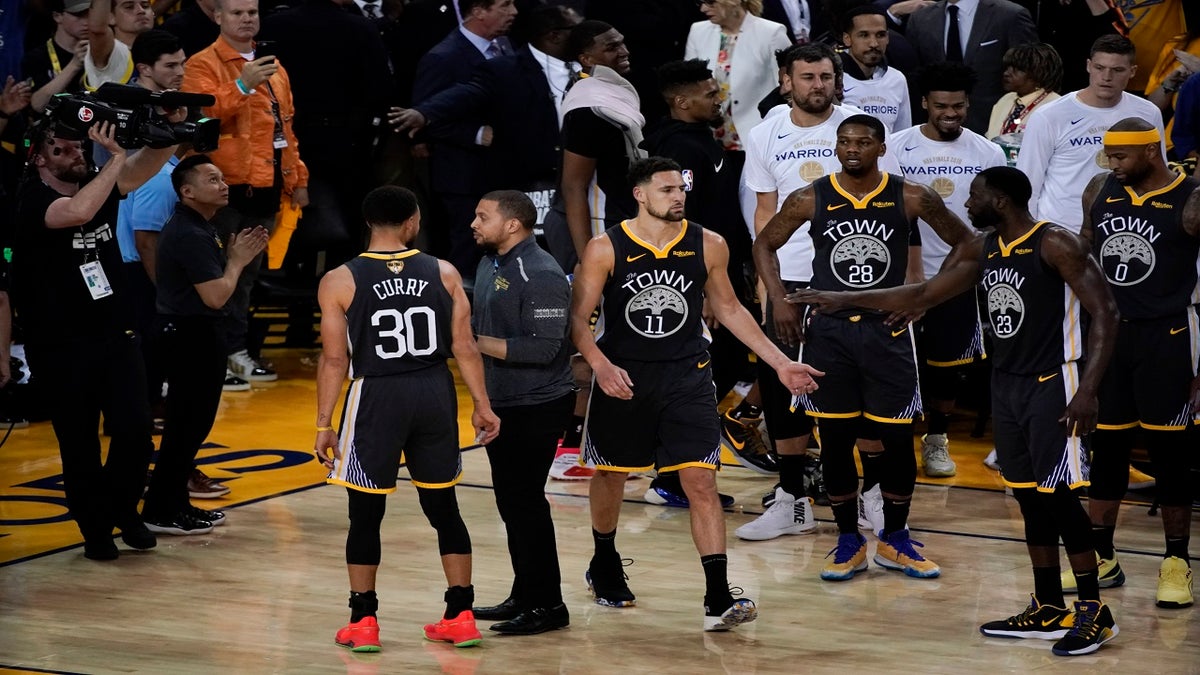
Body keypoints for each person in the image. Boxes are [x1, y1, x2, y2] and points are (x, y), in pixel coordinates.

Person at [793, 165, 1121, 657]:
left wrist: (1088, 390)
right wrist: (841, 299)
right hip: (1006, 384)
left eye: (976, 195)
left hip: (1057, 382)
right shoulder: (983, 247)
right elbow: (924, 294)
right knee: (1029, 498)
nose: (967, 204)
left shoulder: (1056, 244)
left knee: (1058, 499)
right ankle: (1049, 606)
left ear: (1002, 200)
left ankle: (1095, 611)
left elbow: (1108, 313)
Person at [570, 156, 822, 631]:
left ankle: (718, 596)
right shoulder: (605, 248)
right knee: (612, 475)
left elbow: (729, 309)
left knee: (701, 481)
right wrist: (600, 366)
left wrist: (782, 363)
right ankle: (603, 558)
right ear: (640, 194)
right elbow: (578, 321)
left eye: (681, 188)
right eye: (666, 189)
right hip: (624, 377)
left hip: (687, 376)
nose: (678, 196)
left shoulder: (709, 244)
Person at [753, 114, 977, 581]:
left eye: (863, 142)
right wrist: (779, 300)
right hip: (828, 333)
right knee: (835, 441)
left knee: (896, 441)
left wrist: (925, 297)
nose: (852, 149)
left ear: (881, 148)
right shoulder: (809, 197)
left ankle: (894, 540)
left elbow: (969, 245)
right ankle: (847, 540)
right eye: (844, 142)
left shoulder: (912, 195)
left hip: (887, 330)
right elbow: (764, 244)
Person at [314, 186, 500, 652]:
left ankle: (364, 620)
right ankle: (460, 614)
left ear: (367, 221)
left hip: (378, 394)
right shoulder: (444, 271)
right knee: (444, 509)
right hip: (434, 392)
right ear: (413, 222)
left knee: (365, 513)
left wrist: (324, 423)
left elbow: (334, 360)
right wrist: (482, 404)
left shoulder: (339, 279)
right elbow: (465, 347)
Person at [736, 42, 902, 543]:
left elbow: (891, 206)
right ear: (786, 80)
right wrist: (772, 290)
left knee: (862, 388)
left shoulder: (858, 127)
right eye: (807, 77)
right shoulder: (765, 134)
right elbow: (765, 213)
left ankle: (873, 492)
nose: (818, 85)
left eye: (826, 76)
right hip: (790, 282)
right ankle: (792, 500)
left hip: (856, 279)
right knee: (787, 390)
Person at [13, 118, 184, 560]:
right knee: (79, 441)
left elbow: (144, 168)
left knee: (135, 431)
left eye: (79, 150)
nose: (77, 157)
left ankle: (122, 509)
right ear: (38, 158)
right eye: (63, 151)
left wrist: (164, 135)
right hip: (59, 344)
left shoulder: (99, 181)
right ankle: (95, 530)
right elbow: (78, 212)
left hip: (115, 333)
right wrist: (116, 160)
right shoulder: (27, 199)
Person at [1074, 118, 1200, 609]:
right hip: (1109, 335)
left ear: (1151, 151)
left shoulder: (1190, 198)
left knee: (1171, 455)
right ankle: (1103, 557)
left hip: (1169, 334)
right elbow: (1083, 251)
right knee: (1107, 449)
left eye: (1121, 156)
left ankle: (1176, 563)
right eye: (1108, 155)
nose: (1111, 163)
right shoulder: (1099, 188)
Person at [182, 0, 310, 384]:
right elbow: (200, 117)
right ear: (217, 16)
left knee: (247, 275)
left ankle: (236, 349)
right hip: (222, 188)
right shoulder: (201, 64)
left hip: (267, 187)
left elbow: (285, 130)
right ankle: (213, 354)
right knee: (216, 274)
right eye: (237, 13)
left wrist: (297, 180)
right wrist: (242, 84)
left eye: (252, 12)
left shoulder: (275, 68)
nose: (246, 19)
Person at [142, 156, 268, 535]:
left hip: (198, 334)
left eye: (223, 177)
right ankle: (161, 510)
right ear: (187, 191)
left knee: (192, 426)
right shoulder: (191, 234)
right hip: (189, 335)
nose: (223, 184)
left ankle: (175, 503)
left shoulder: (202, 226)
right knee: (185, 426)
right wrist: (237, 262)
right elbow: (215, 296)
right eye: (212, 179)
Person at [890, 61, 1006, 478]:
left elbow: (994, 217)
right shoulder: (895, 146)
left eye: (958, 106)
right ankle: (896, 440)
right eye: (941, 106)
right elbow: (894, 217)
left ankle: (936, 440)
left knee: (949, 366)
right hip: (904, 278)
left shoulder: (987, 152)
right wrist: (912, 271)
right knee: (901, 363)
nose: (951, 113)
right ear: (924, 103)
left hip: (961, 276)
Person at [468, 190, 575, 635]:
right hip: (503, 401)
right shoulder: (491, 262)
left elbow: (546, 347)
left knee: (526, 503)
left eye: (482, 217)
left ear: (513, 224)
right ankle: (526, 593)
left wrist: (471, 344)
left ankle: (549, 605)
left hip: (537, 403)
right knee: (513, 504)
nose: (473, 223)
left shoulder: (543, 272)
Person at [411, 0, 518, 280]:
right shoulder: (442, 57)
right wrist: (476, 134)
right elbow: (425, 120)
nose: (514, 12)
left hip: (500, 171)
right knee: (467, 250)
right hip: (463, 175)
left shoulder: (506, 46)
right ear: (478, 11)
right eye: (505, 5)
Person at [1016, 35, 1164, 234]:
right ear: (1088, 66)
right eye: (1099, 68)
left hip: (1126, 228)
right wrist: (1028, 237)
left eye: (1117, 70)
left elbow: (1158, 173)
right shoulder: (1049, 116)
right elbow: (1028, 182)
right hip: (1062, 230)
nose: (1106, 77)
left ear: (1132, 71)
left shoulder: (1148, 113)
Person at [903, 0, 1037, 133]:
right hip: (937, 131)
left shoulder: (1010, 15)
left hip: (994, 125)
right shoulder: (920, 18)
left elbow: (1032, 71)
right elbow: (914, 78)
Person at [683, 0, 791, 151]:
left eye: (710, 2)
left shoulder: (771, 33)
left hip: (759, 137)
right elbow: (688, 85)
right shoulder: (697, 31)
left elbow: (788, 86)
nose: (703, 8)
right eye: (701, 2)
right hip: (710, 139)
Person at [838, 5, 910, 133]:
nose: (874, 43)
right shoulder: (831, 78)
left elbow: (901, 134)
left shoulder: (897, 79)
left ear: (888, 37)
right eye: (864, 35)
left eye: (880, 35)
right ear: (847, 39)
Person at [985, 42, 1062, 141]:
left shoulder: (1056, 106)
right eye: (1008, 67)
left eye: (1018, 69)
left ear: (1039, 73)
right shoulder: (1005, 100)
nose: (1006, 73)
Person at [24, 0, 90, 114]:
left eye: (89, 14)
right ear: (57, 16)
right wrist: (74, 65)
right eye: (79, 15)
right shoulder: (36, 58)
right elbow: (38, 105)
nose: (86, 21)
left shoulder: (99, 53)